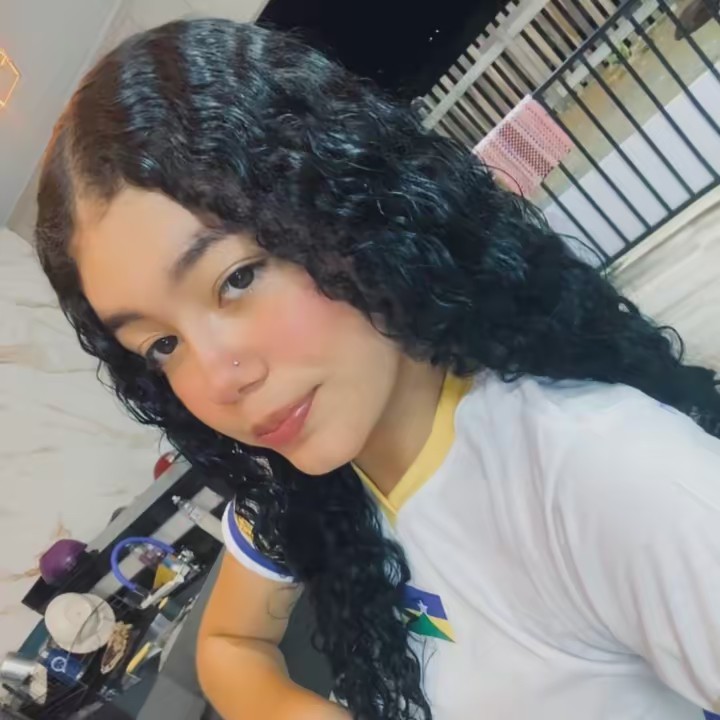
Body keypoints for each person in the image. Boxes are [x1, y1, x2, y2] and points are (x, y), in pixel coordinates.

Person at [34, 18, 720, 720]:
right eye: (161, 345)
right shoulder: (302, 480)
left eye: (237, 278)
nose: (218, 380)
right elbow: (228, 646)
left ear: (346, 210)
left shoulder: (608, 478)